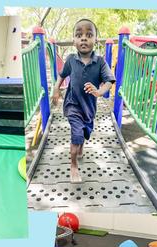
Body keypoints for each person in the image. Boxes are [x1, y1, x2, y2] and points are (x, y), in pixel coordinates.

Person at [51, 18, 115, 183]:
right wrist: (56, 89)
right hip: (73, 104)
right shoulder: (71, 59)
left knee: (85, 132)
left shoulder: (100, 62)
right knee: (77, 133)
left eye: (89, 34)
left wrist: (99, 91)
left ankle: (80, 146)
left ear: (95, 40)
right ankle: (73, 166)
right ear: (74, 40)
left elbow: (109, 81)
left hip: (89, 108)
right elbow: (61, 75)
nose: (84, 38)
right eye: (79, 35)